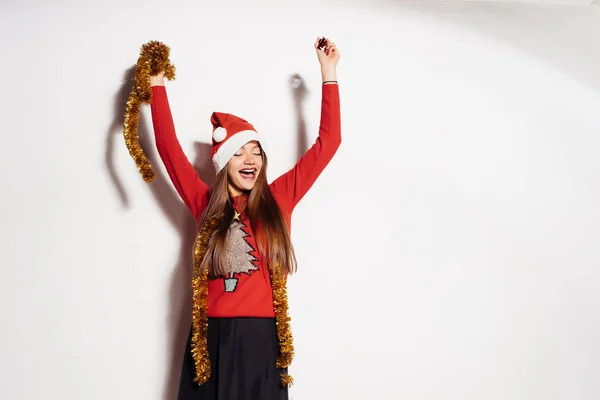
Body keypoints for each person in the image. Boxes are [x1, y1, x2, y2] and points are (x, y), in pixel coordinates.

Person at [148, 37, 341, 400]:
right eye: (239, 153)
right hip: (211, 341)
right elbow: (168, 148)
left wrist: (328, 74)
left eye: (256, 151)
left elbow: (327, 144)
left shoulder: (280, 198)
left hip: (262, 340)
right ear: (223, 164)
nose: (250, 160)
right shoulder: (204, 202)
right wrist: (157, 84)